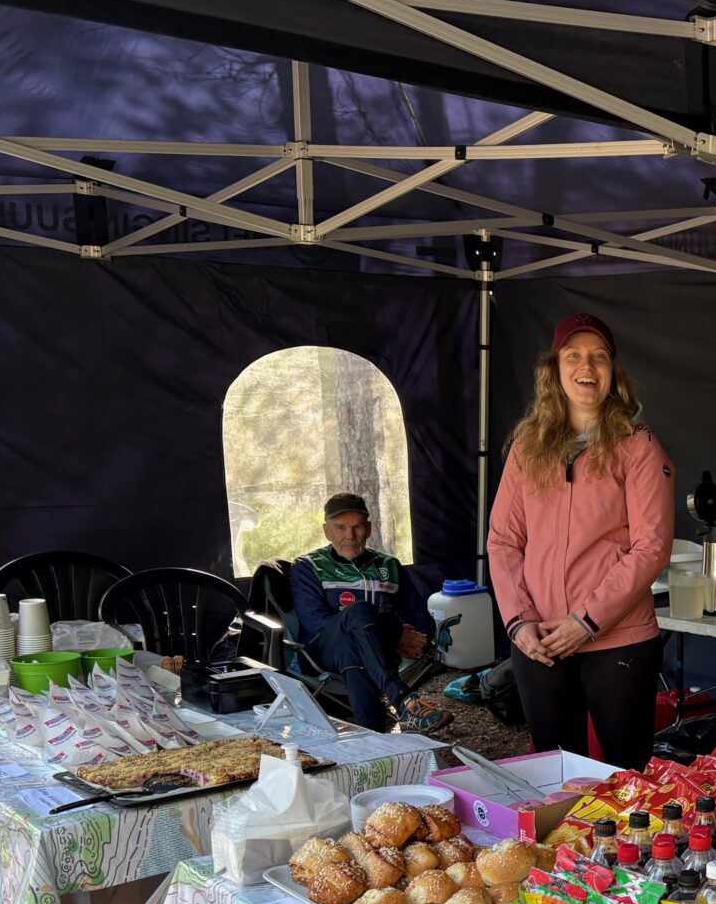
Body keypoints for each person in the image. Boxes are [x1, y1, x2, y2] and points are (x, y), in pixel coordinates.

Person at [488, 313, 674, 769]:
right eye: (573, 356)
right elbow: (503, 541)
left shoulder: (637, 445)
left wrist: (586, 621)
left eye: (599, 356)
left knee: (626, 777)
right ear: (553, 369)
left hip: (618, 641)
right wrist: (520, 622)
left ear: (613, 371)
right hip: (540, 641)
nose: (586, 366)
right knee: (555, 774)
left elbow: (651, 547)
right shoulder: (527, 447)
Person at [289, 492, 449, 732]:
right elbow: (315, 622)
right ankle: (403, 700)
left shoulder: (389, 565)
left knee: (350, 649)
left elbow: (421, 620)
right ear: (326, 531)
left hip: (364, 654)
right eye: (340, 527)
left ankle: (374, 734)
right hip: (319, 652)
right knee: (358, 612)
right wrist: (394, 635)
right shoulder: (308, 566)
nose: (349, 535)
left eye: (357, 527)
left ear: (369, 529)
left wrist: (414, 639)